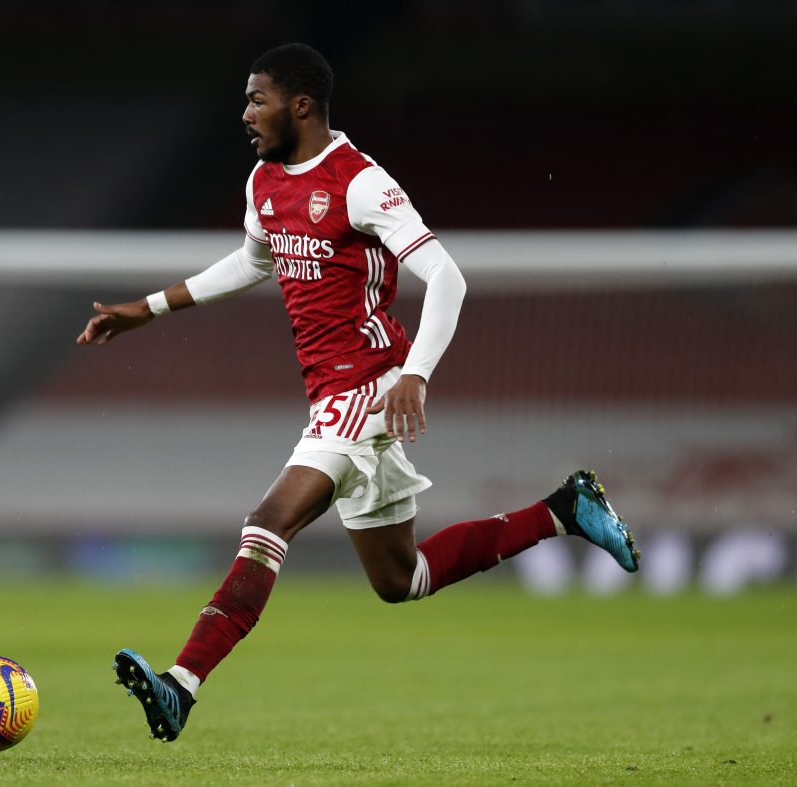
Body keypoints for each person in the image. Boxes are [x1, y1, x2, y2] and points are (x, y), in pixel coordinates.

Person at [77, 43, 639, 743]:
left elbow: (448, 278)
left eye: (258, 99)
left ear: (301, 105)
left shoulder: (360, 182)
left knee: (268, 519)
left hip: (369, 386)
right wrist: (149, 307)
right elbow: (254, 259)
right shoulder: (264, 182)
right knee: (400, 578)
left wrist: (415, 375)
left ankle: (181, 684)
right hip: (330, 397)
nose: (246, 113)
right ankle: (564, 509)